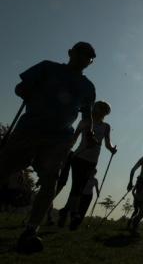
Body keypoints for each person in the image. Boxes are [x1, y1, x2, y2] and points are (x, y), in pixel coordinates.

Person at [0, 42, 96, 253]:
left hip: (58, 138)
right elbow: (19, 88)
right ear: (71, 53)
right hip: (29, 129)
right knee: (3, 170)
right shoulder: (47, 67)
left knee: (50, 181)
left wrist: (88, 132)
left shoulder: (88, 87)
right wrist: (27, 91)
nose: (84, 59)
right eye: (81, 53)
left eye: (88, 58)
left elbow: (86, 113)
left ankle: (31, 230)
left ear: (90, 62)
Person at [58, 100, 117, 230]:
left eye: (104, 112)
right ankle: (74, 214)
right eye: (100, 110)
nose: (102, 114)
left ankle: (65, 210)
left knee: (79, 187)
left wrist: (112, 149)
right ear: (95, 109)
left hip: (92, 161)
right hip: (79, 156)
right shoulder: (85, 122)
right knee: (77, 186)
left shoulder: (106, 127)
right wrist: (65, 154)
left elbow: (107, 143)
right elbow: (74, 138)